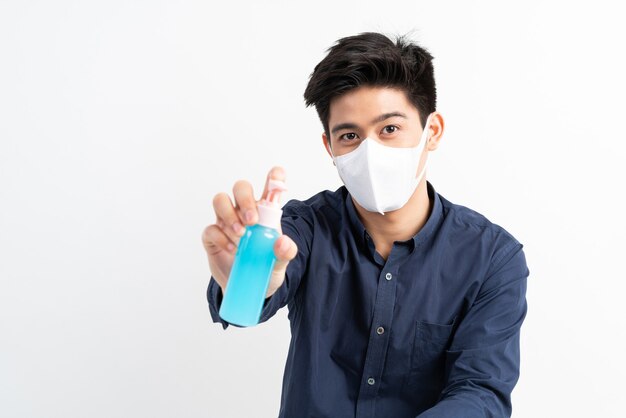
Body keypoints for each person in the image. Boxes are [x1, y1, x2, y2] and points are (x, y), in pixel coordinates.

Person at [202, 31, 529, 418]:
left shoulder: (491, 257)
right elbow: (254, 295)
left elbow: (480, 392)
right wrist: (245, 281)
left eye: (389, 129)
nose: (369, 151)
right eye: (350, 135)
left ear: (432, 131)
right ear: (330, 147)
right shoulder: (306, 227)